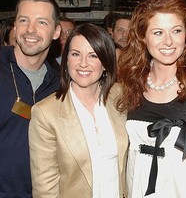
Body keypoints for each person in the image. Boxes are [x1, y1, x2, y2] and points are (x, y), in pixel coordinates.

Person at [116, 0, 186, 198]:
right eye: (158, 32)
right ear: (143, 37)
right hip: (138, 188)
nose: (168, 41)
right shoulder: (129, 85)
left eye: (176, 31)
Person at [29, 23, 128, 198]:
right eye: (76, 54)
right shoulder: (46, 113)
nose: (83, 63)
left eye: (93, 56)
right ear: (66, 60)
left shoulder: (121, 97)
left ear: (105, 63)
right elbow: (45, 189)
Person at [0, 0, 61, 197]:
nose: (30, 29)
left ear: (56, 32)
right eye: (23, 20)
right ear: (15, 27)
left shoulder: (63, 84)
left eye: (41, 22)